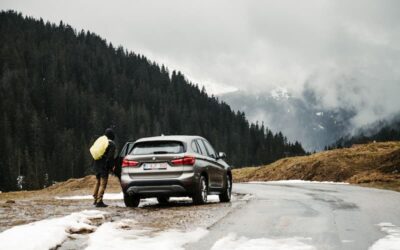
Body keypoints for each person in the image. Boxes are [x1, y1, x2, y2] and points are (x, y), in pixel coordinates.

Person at [93, 128, 116, 207]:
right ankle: (100, 201)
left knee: (97, 182)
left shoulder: (101, 142)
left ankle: (95, 199)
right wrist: (112, 167)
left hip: (97, 164)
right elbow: (110, 157)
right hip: (104, 166)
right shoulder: (111, 144)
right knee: (103, 184)